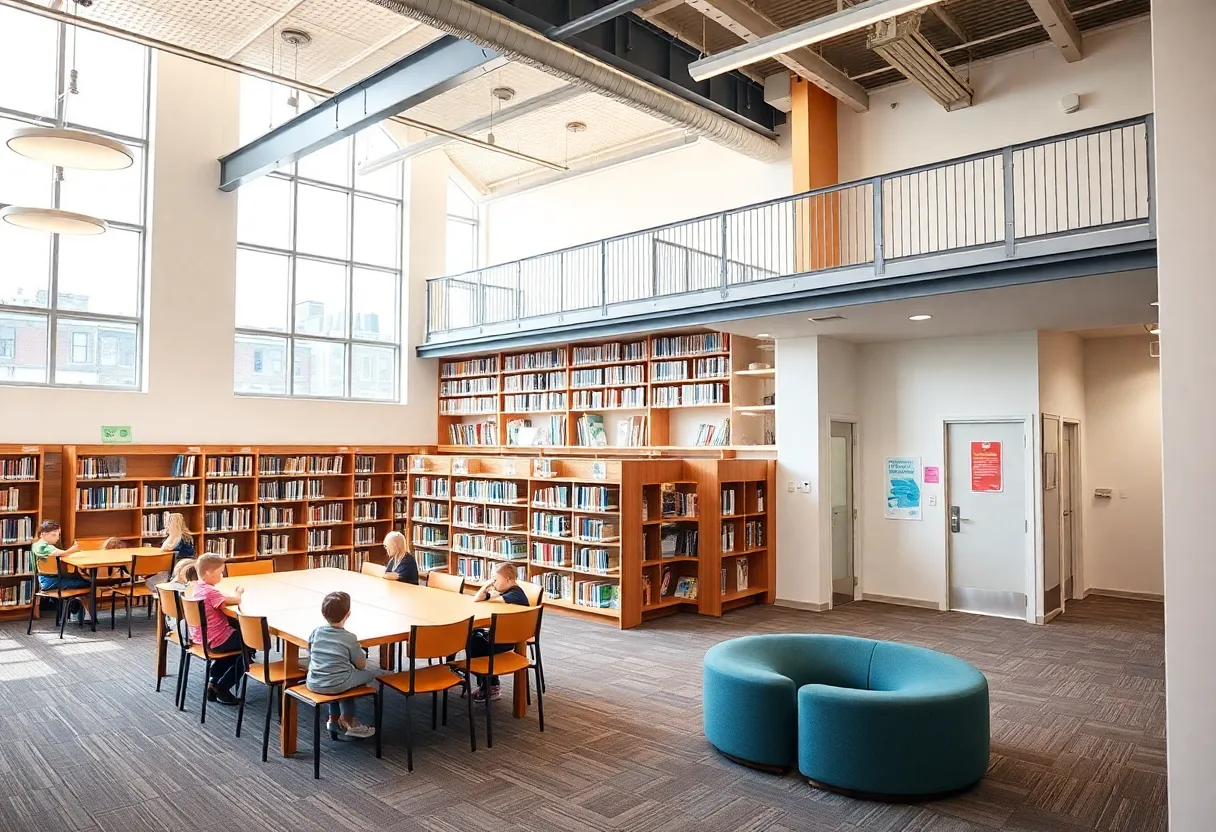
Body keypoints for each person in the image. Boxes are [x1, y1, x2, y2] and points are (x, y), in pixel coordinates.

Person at [305, 591, 377, 739]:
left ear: (323, 613)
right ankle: (350, 720)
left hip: (313, 682)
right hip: (337, 683)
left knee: (341, 674)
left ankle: (333, 718)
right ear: (348, 614)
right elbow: (361, 665)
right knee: (369, 675)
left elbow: (311, 653)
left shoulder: (316, 632)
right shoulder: (349, 638)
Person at [186, 554, 246, 706]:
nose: (222, 576)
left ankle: (212, 682)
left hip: (204, 637)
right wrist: (238, 591)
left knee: (235, 652)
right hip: (218, 638)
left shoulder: (198, 588)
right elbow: (236, 600)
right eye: (220, 573)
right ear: (208, 574)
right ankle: (222, 687)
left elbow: (219, 600)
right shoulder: (211, 592)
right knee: (249, 646)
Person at [467, 561, 530, 702]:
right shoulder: (507, 593)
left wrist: (488, 586)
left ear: (507, 579)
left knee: (473, 642)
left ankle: (491, 685)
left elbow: (487, 601)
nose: (494, 583)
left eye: (496, 580)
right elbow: (477, 599)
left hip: (508, 640)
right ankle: (487, 683)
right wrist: (488, 585)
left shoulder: (515, 594)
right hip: (502, 636)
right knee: (474, 637)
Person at [31, 520, 90, 623]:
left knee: (78, 579)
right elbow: (62, 553)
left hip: (46, 580)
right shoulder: (43, 546)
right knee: (87, 583)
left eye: (58, 535)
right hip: (50, 582)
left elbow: (61, 554)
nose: (57, 538)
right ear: (43, 534)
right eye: (54, 535)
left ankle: (79, 612)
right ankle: (84, 614)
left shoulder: (36, 545)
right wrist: (74, 548)